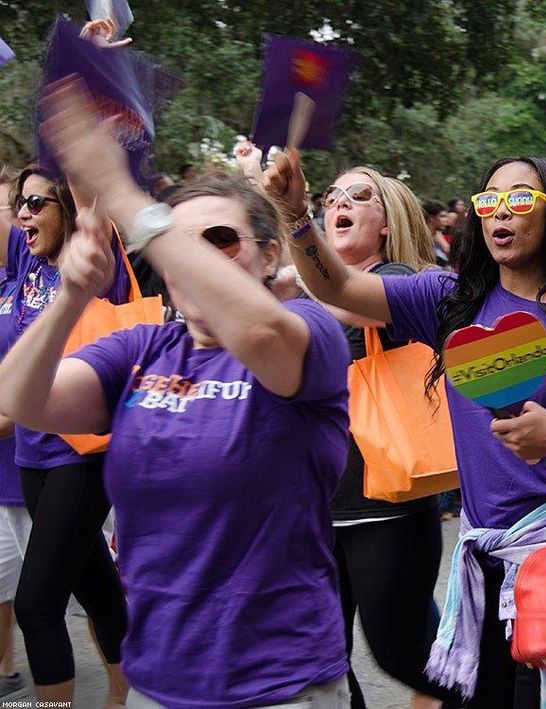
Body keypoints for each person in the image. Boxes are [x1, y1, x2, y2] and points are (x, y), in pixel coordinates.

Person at [0, 77, 353, 709]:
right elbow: (23, 400)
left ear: (268, 256)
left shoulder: (309, 332)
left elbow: (261, 331)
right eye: (176, 245)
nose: (193, 258)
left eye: (217, 240)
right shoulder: (143, 350)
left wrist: (124, 198)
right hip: (157, 683)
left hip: (279, 685)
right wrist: (70, 298)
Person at [266, 145, 546, 707]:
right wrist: (297, 216)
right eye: (489, 201)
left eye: (519, 198)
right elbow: (339, 288)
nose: (501, 213)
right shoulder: (450, 302)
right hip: (480, 569)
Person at [307, 167, 455, 709]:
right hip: (317, 507)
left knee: (400, 653)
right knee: (324, 657)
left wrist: (289, 222)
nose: (339, 203)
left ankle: (502, 693)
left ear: (387, 222)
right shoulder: (304, 292)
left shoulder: (397, 279)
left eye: (358, 196)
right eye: (331, 197)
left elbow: (343, 302)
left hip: (386, 505)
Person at [0, 161, 131, 707]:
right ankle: (128, 695)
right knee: (96, 585)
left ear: (70, 210)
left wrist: (75, 146)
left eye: (38, 204)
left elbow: (90, 199)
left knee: (36, 604)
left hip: (82, 455)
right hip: (32, 452)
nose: (24, 215)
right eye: (19, 205)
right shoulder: (25, 265)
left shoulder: (95, 263)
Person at [0, 168, 29, 697]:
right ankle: (5, 670)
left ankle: (121, 694)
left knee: (82, 594)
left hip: (40, 461)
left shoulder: (36, 278)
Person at [422, 199, 452, 265]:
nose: (446, 220)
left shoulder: (439, 236)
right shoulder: (421, 238)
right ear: (431, 218)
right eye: (442, 216)